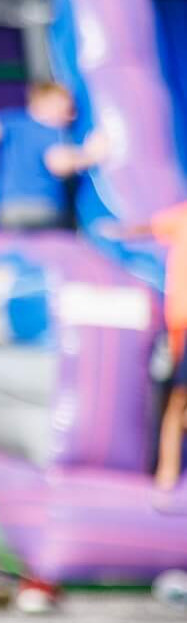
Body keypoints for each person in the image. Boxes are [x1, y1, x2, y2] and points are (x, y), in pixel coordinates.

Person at [100, 198, 187, 488]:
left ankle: (167, 473)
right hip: (179, 327)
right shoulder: (182, 215)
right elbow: (150, 227)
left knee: (176, 402)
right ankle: (166, 474)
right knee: (175, 401)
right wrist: (119, 231)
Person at [0, 81, 105, 231]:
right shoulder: (51, 132)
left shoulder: (14, 122)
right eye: (67, 110)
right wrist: (90, 156)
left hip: (7, 207)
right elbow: (58, 164)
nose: (72, 117)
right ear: (44, 105)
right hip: (43, 206)